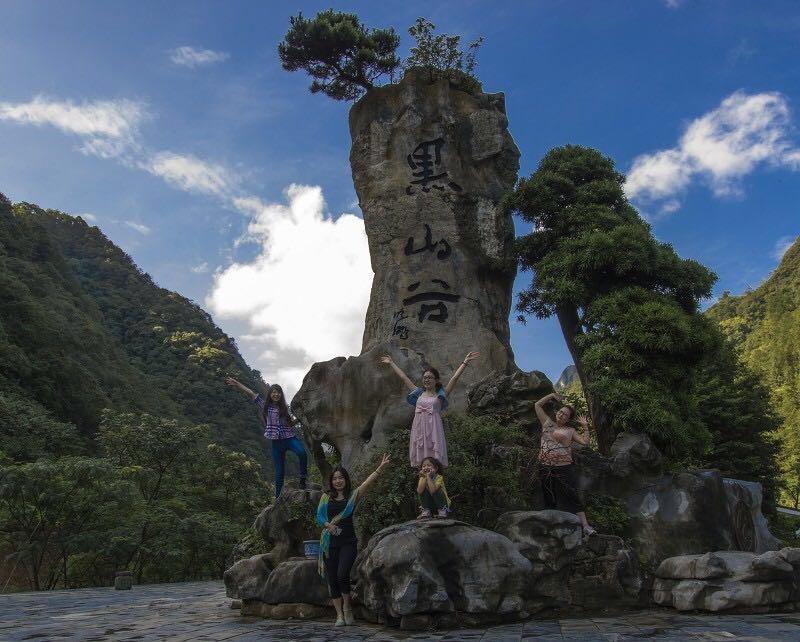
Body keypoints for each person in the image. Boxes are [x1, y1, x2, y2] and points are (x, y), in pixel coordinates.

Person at [317, 454, 391, 627]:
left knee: (343, 575)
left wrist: (380, 468)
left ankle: (348, 608)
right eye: (335, 478)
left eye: (340, 478)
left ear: (345, 479)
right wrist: (328, 525)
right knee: (333, 579)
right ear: (331, 481)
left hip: (348, 542)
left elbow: (366, 484)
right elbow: (319, 517)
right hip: (329, 544)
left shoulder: (352, 496)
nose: (338, 481)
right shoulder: (325, 498)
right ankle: (339, 615)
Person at [380, 351, 479, 468]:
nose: (426, 380)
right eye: (425, 378)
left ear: (436, 380)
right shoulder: (418, 393)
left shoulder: (440, 395)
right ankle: (422, 481)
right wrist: (391, 362)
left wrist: (465, 362)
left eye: (429, 378)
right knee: (421, 463)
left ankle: (435, 481)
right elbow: (403, 377)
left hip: (433, 430)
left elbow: (455, 378)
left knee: (434, 462)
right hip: (419, 428)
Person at [225, 377, 307, 497]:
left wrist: (300, 418)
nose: (276, 394)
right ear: (270, 394)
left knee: (302, 453)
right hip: (276, 443)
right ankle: (278, 499)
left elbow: (289, 424)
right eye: (274, 392)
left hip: (289, 438)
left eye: (278, 392)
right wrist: (237, 384)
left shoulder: (284, 408)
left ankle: (303, 479)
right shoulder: (265, 406)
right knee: (279, 472)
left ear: (281, 395)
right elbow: (251, 393)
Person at [534, 391, 596, 537]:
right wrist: (551, 395)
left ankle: (585, 526)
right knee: (549, 494)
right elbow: (537, 405)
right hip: (545, 465)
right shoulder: (547, 423)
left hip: (564, 466)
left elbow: (585, 442)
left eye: (565, 415)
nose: (562, 415)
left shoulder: (570, 430)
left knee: (572, 494)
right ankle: (551, 526)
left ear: (568, 419)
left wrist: (585, 427)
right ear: (557, 412)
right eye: (561, 412)